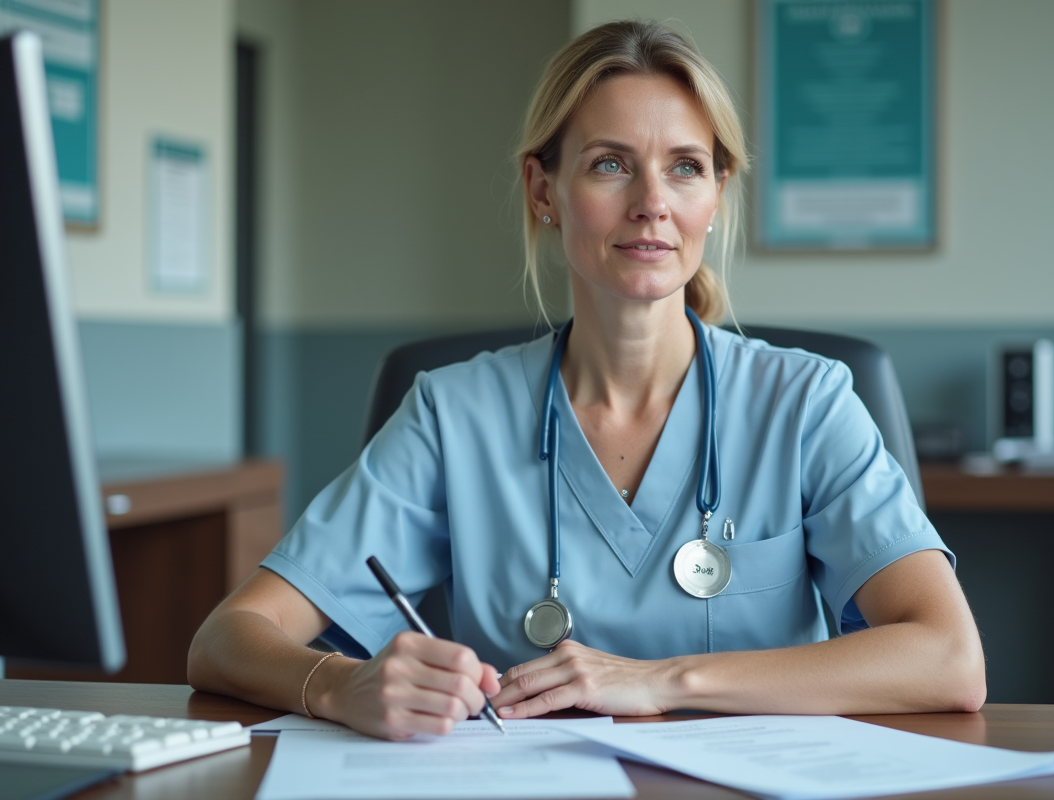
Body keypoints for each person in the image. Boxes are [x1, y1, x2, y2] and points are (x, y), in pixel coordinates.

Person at [188, 20, 985, 740]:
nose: (652, 204)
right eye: (610, 165)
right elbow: (228, 638)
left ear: (716, 196)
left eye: (684, 168)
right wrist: (340, 685)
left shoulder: (807, 404)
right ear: (544, 192)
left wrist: (659, 682)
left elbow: (950, 660)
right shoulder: (452, 412)